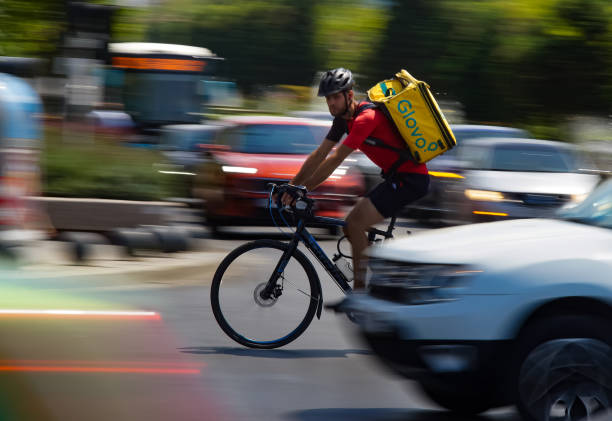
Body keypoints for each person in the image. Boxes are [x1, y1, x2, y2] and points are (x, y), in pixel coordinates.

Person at [282, 68, 430, 290]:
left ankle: (360, 295)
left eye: (335, 97)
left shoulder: (366, 118)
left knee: (355, 223)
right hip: (395, 178)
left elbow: (335, 159)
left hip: (410, 180)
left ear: (349, 96)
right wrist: (291, 186)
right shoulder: (342, 120)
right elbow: (318, 155)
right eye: (327, 99)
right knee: (349, 228)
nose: (331, 103)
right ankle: (383, 271)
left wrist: (304, 190)